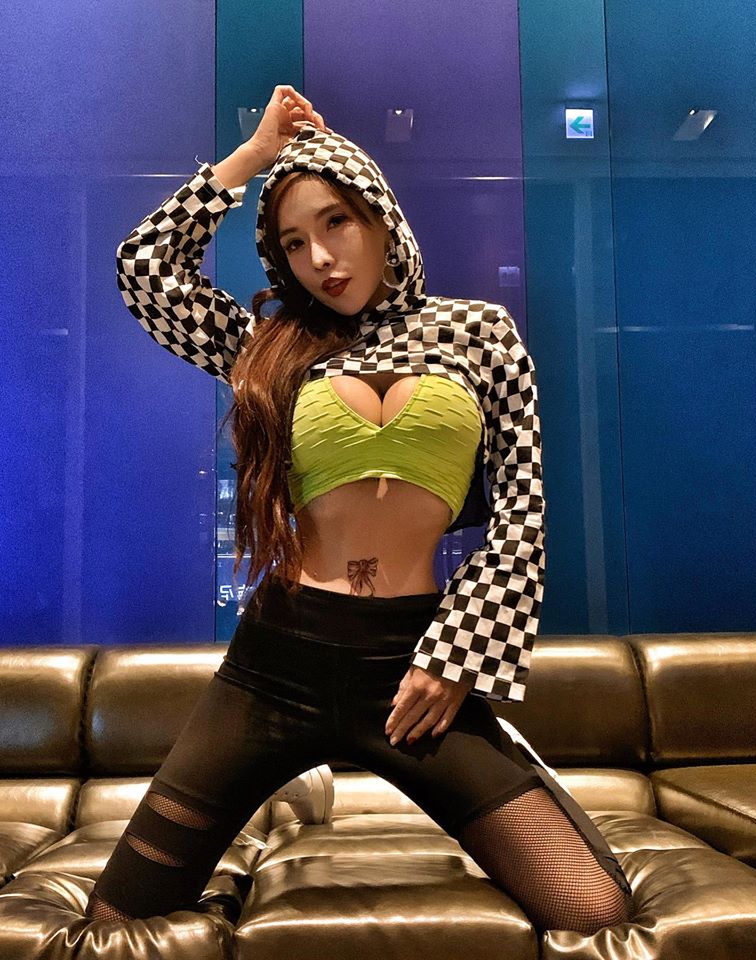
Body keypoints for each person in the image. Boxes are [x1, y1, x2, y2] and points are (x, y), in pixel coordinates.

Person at [85, 84, 634, 935]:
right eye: (293, 243)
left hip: (412, 666)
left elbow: (523, 510)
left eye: (336, 223)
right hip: (277, 661)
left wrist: (457, 655)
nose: (320, 258)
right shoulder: (267, 348)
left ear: (381, 216)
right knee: (118, 915)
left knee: (591, 902)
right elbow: (145, 270)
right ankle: (272, 807)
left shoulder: (481, 333)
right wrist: (251, 158)